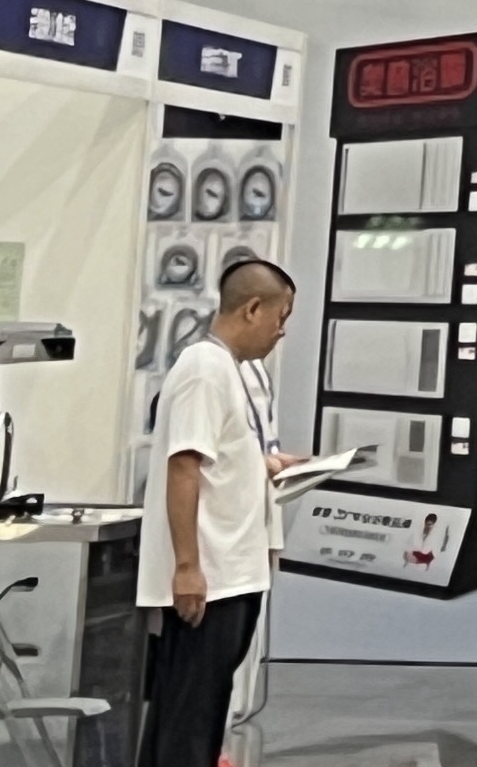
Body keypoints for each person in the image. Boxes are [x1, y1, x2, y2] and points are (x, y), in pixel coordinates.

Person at [137, 256, 295, 767]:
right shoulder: (204, 369)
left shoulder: (233, 370)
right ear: (252, 309)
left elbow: (222, 459)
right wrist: (187, 567)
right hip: (209, 574)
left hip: (234, 572)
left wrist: (270, 465)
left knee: (201, 714)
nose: (281, 331)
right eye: (280, 317)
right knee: (188, 717)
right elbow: (183, 467)